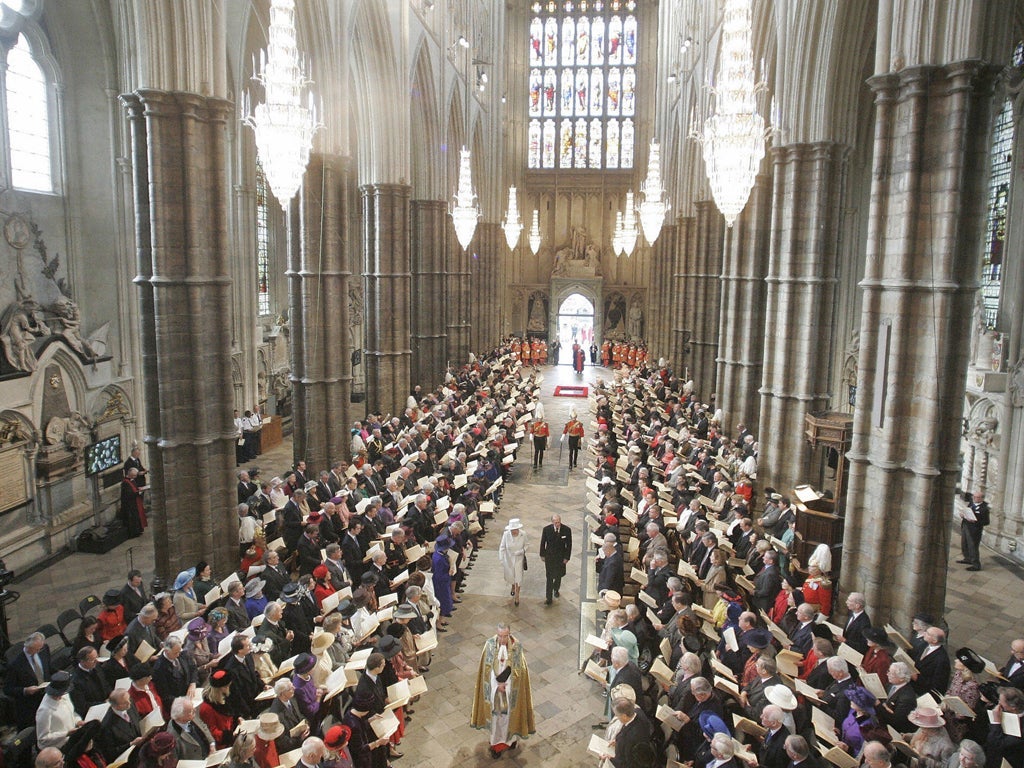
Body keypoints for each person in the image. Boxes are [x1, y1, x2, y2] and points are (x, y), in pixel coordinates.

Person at [471, 623, 535, 758]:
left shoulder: (517, 647)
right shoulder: (489, 646)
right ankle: (496, 745)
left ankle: (510, 740)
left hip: (510, 691)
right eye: (500, 636)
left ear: (509, 634)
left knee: (510, 717)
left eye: (505, 636)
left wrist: (507, 685)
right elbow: (486, 672)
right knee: (497, 719)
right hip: (495, 692)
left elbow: (520, 671)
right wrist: (496, 685)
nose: (502, 639)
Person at [610, 697, 653, 768]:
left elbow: (625, 764)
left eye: (617, 715)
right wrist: (617, 741)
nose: (617, 717)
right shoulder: (639, 711)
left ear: (624, 716)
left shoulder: (627, 739)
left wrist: (610, 759)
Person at [539, 514, 572, 605]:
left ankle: (556, 589)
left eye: (559, 522)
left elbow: (569, 545)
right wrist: (542, 554)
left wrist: (567, 557)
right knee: (549, 577)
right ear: (552, 522)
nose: (557, 524)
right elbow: (543, 543)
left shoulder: (567, 530)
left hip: (560, 558)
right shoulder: (546, 530)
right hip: (550, 557)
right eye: (556, 522)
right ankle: (548, 597)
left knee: (558, 575)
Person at [498, 519, 529, 606]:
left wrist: (522, 551)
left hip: (519, 559)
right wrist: (501, 559)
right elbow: (502, 547)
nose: (514, 531)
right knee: (511, 576)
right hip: (509, 559)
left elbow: (527, 545)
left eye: (516, 530)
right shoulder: (506, 534)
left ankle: (517, 595)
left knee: (518, 577)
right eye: (512, 530)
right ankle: (512, 586)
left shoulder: (523, 534)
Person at [958, 490, 990, 571]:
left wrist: (975, 521)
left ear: (982, 498)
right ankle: (967, 558)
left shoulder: (984, 508)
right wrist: (963, 515)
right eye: (974, 497)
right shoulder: (972, 503)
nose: (975, 498)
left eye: (977, 497)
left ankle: (976, 565)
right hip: (966, 526)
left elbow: (986, 522)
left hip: (974, 530)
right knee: (964, 544)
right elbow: (968, 511)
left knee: (973, 547)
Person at [120, 467, 148, 537]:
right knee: (133, 519)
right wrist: (138, 492)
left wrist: (139, 489)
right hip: (130, 504)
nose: (135, 477)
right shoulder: (125, 483)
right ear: (130, 475)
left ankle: (139, 530)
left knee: (138, 517)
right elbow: (129, 494)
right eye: (134, 476)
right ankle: (134, 533)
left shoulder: (132, 480)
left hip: (135, 502)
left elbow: (134, 488)